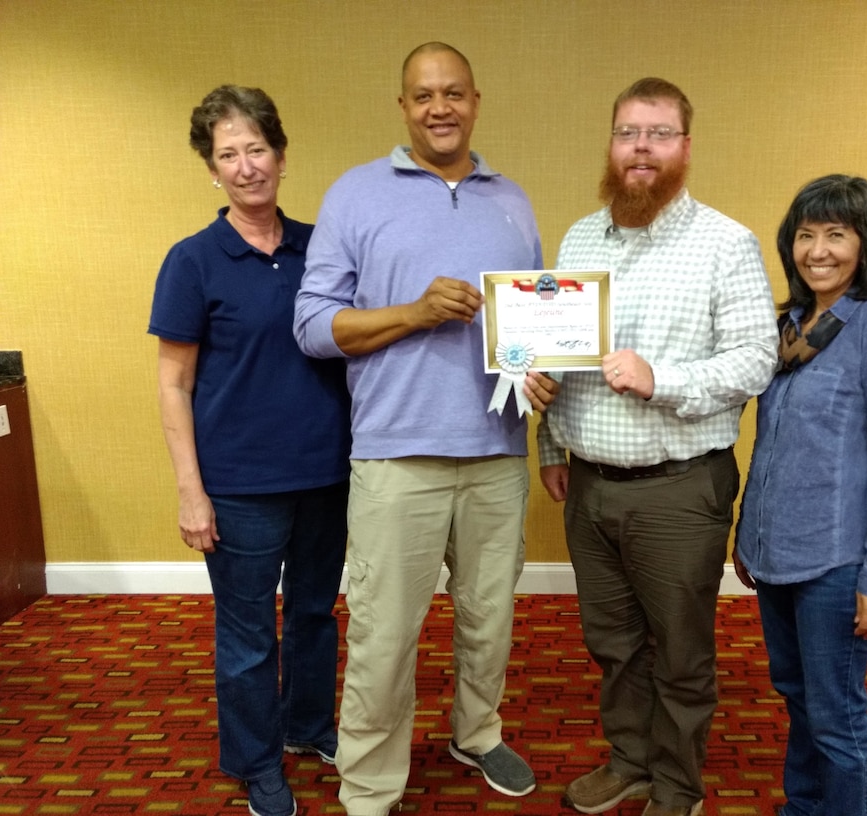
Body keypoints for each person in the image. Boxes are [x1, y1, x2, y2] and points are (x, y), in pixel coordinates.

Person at [293, 42, 558, 816]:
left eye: (453, 93)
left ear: (476, 100)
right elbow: (312, 325)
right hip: (395, 456)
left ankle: (477, 734)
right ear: (402, 107)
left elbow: (533, 328)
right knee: (383, 635)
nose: (439, 107)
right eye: (422, 96)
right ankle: (370, 786)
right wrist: (413, 312)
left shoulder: (512, 201)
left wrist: (539, 373)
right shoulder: (355, 195)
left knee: (490, 620)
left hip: (497, 456)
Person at [536, 78, 779, 816]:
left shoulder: (724, 244)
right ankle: (631, 760)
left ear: (685, 146)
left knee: (678, 652)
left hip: (679, 487)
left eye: (659, 133)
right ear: (611, 144)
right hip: (589, 485)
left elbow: (754, 360)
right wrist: (549, 436)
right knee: (612, 643)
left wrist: (659, 377)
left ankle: (678, 786)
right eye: (628, 133)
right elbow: (555, 350)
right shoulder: (580, 238)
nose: (641, 148)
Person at [149, 85, 352, 816]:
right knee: (245, 638)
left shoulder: (321, 248)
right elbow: (174, 384)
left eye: (256, 149)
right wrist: (189, 491)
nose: (245, 166)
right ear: (211, 169)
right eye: (227, 154)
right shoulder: (194, 260)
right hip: (238, 485)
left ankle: (307, 728)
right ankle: (257, 760)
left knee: (314, 614)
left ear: (282, 156)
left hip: (327, 474)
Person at [733, 174, 867, 816]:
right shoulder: (788, 328)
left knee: (835, 715)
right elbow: (775, 446)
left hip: (838, 562)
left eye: (836, 235)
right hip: (777, 554)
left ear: (865, 244)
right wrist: (747, 532)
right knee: (798, 696)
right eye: (805, 234)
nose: (818, 250)